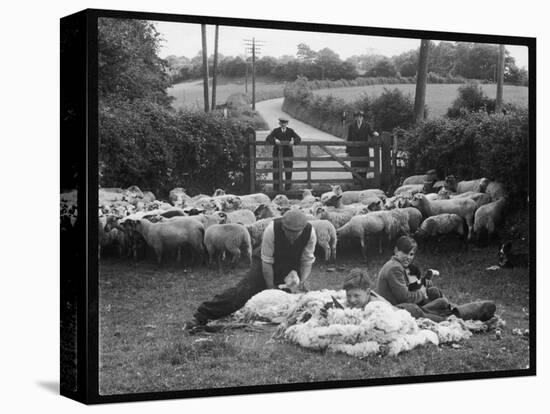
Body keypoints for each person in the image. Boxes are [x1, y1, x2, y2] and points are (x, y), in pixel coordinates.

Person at [184, 209, 317, 330]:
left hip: (292, 265)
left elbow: (307, 260)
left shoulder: (310, 233)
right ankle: (201, 315)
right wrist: (271, 289)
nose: (291, 236)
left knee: (298, 297)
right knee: (242, 291)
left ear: (303, 228)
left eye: (296, 233)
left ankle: (290, 322)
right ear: (283, 226)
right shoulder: (272, 230)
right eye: (288, 231)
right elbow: (267, 262)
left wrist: (301, 281)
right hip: (266, 262)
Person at [375, 236, 452, 322]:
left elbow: (410, 287)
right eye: (405, 252)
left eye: (411, 254)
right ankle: (446, 314)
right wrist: (422, 293)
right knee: (442, 302)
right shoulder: (394, 268)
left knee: (434, 292)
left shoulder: (397, 265)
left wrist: (423, 285)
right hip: (396, 309)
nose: (408, 257)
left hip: (403, 305)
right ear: (396, 250)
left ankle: (444, 311)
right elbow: (405, 298)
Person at [266, 118, 301, 191]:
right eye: (281, 123)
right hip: (277, 153)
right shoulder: (276, 130)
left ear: (287, 123)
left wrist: (293, 141)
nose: (283, 124)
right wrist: (275, 140)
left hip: (288, 153)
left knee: (288, 170)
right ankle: (276, 188)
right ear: (279, 123)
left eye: (284, 123)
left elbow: (298, 138)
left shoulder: (290, 131)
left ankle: (288, 188)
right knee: (276, 170)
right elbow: (268, 138)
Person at [345, 110, 376, 187]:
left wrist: (375, 133)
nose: (359, 118)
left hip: (363, 150)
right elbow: (349, 138)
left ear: (363, 117)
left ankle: (363, 183)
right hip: (354, 151)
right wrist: (348, 151)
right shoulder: (351, 126)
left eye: (360, 117)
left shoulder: (367, 125)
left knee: (363, 166)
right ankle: (355, 183)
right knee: (354, 166)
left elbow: (371, 132)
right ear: (355, 118)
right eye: (357, 117)